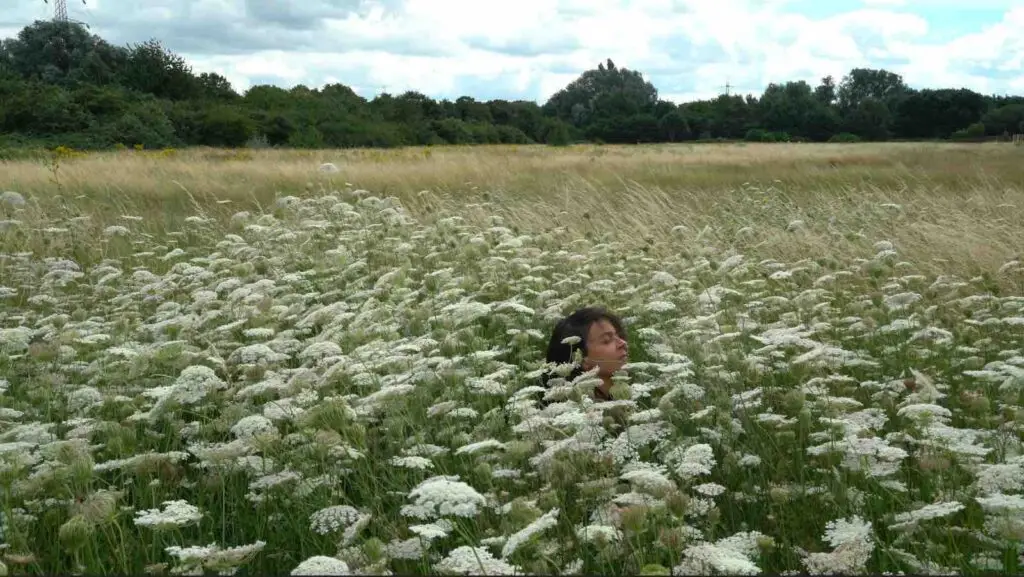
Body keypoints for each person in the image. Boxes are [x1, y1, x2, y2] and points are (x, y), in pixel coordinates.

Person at [541, 306, 629, 402]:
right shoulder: (582, 411)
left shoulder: (633, 394)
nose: (622, 343)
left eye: (619, 335)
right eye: (607, 340)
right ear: (580, 359)